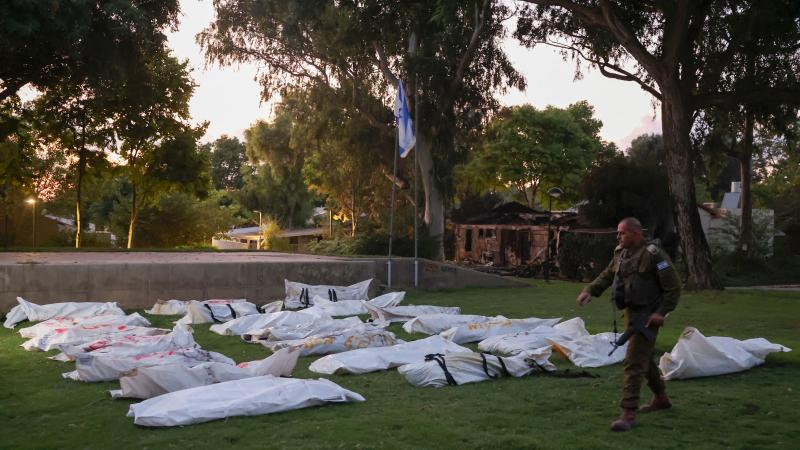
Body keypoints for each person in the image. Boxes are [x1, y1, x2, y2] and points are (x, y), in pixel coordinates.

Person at [575, 217, 681, 432]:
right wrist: (590, 291)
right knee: (644, 359)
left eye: (622, 233)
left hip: (649, 315)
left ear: (636, 233)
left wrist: (661, 313)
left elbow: (674, 287)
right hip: (631, 313)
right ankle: (661, 398)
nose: (618, 237)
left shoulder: (654, 255)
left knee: (633, 361)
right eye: (618, 233)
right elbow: (607, 275)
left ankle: (628, 413)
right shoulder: (621, 253)